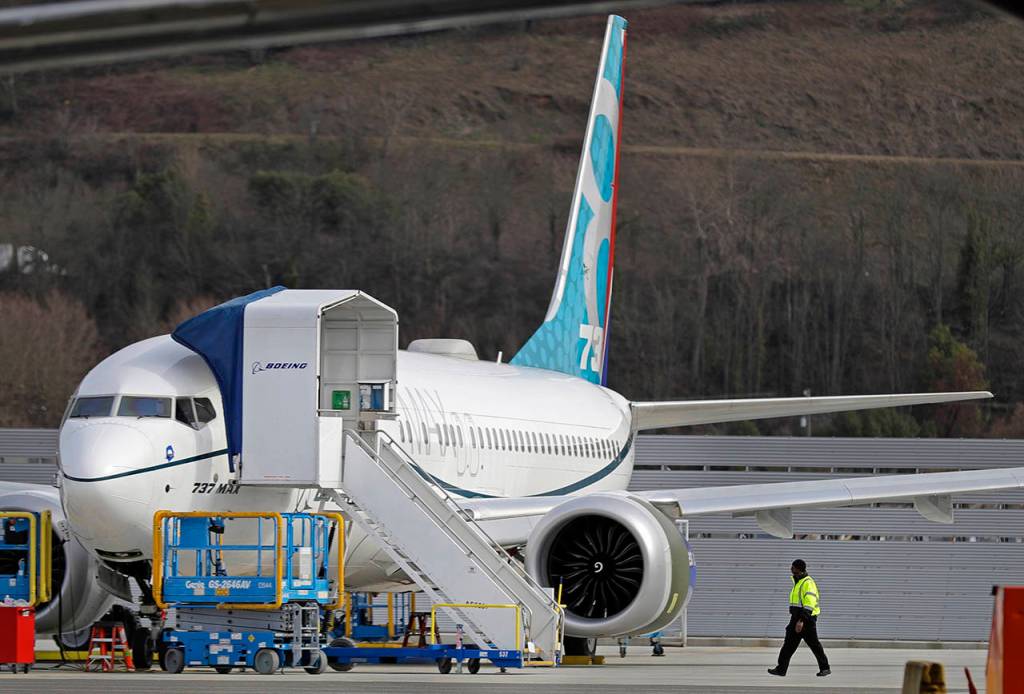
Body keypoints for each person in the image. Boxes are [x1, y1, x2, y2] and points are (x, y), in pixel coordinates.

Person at [768, 559, 831, 678]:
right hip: (796, 618)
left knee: (814, 645)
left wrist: (801, 621)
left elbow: (809, 603)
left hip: (806, 620)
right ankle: (781, 669)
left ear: (799, 569)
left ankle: (825, 668)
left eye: (793, 568)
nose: (791, 570)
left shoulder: (808, 582)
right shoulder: (798, 581)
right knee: (788, 645)